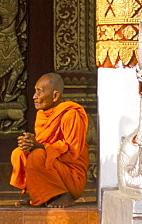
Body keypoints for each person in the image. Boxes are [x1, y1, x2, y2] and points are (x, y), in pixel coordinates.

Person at [10, 73, 89, 208]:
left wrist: (38, 145)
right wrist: (29, 143)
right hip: (54, 166)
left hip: (71, 177)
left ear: (55, 96)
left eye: (39, 92)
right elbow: (44, 143)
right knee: (19, 153)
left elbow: (71, 154)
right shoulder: (42, 115)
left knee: (37, 156)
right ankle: (39, 196)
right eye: (35, 91)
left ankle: (64, 195)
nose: (34, 96)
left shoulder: (70, 115)